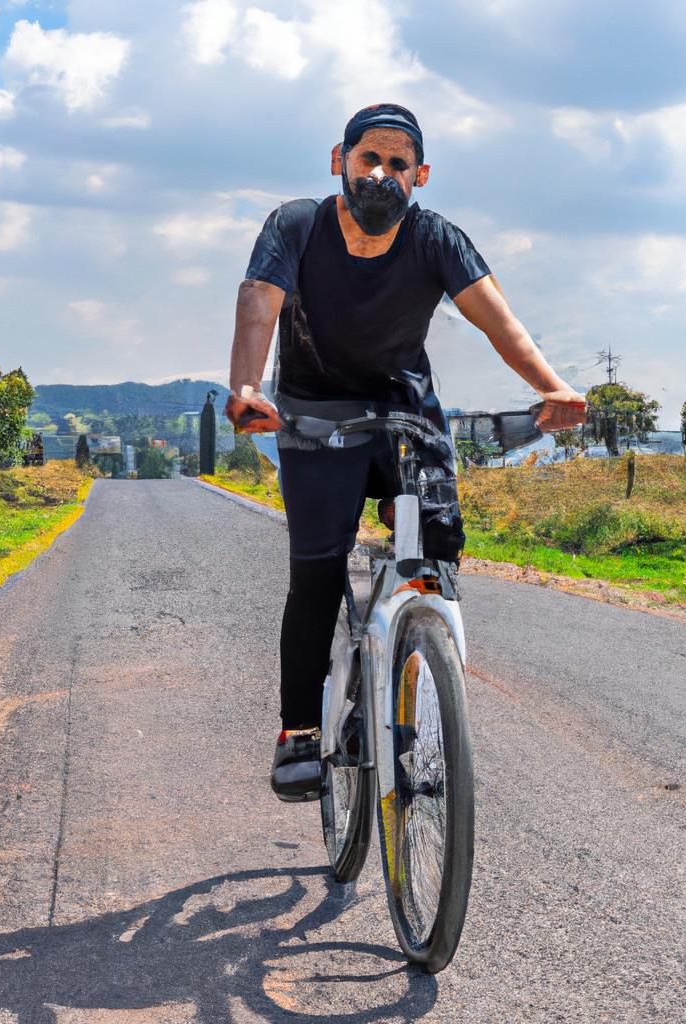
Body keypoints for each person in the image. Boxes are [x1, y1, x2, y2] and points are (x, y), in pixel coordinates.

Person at [224, 103, 585, 800]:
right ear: (340, 161)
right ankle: (299, 729)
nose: (381, 176)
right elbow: (258, 300)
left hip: (403, 417)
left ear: (420, 176)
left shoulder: (435, 238)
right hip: (314, 418)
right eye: (369, 160)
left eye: (398, 165)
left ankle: (410, 665)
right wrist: (245, 385)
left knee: (439, 545)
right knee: (319, 569)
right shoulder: (295, 225)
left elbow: (495, 317)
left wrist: (552, 386)